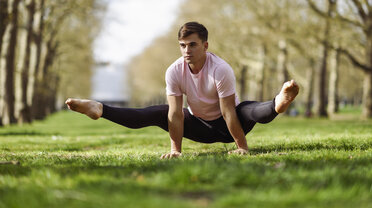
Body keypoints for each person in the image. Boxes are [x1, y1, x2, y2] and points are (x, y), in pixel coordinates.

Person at [65, 22, 299, 159]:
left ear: (205, 46)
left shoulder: (221, 69)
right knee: (157, 111)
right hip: (198, 126)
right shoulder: (174, 71)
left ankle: (278, 103)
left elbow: (228, 112)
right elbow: (175, 114)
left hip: (230, 125)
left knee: (249, 109)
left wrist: (241, 147)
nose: (187, 50)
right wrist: (175, 150)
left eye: (193, 45)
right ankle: (100, 108)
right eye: (183, 46)